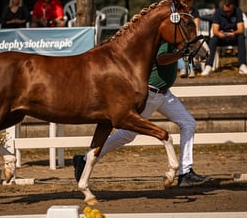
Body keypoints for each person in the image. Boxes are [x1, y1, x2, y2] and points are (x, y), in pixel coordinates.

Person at [73, 42, 211, 187]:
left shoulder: (176, 41)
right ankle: (84, 160)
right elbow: (161, 58)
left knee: (188, 123)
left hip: (165, 94)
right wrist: (181, 53)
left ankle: (185, 173)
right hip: (150, 94)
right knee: (128, 134)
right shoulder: (165, 41)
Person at [201, 0, 247, 76]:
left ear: (233, 7)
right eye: (225, 11)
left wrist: (234, 33)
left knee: (241, 37)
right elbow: (215, 30)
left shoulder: (237, 11)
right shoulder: (217, 12)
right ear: (222, 7)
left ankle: (242, 65)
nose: (227, 13)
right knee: (213, 40)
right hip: (222, 37)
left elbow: (241, 29)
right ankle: (208, 66)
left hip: (234, 35)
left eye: (229, 11)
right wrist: (220, 34)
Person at [177, 5, 200, 78]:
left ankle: (190, 69)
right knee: (179, 49)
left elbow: (195, 28)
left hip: (191, 37)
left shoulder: (194, 13)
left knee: (189, 48)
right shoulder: (177, 15)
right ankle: (183, 69)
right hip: (180, 38)